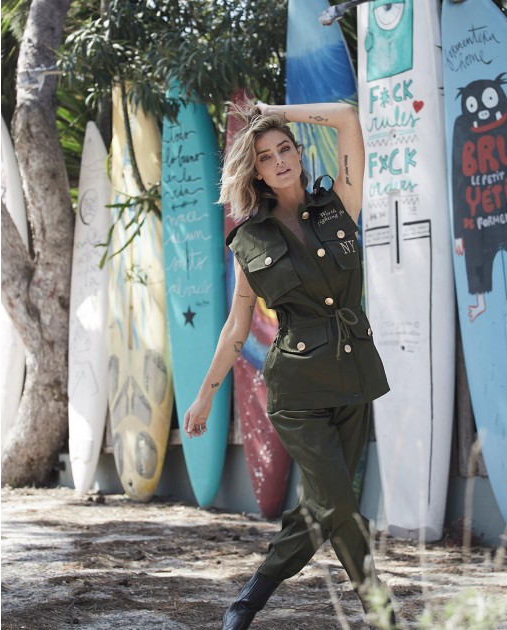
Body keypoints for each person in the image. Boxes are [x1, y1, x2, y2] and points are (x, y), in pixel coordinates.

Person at [182, 99, 396, 629]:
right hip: (297, 390)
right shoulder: (250, 240)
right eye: (265, 156)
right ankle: (383, 615)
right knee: (340, 505)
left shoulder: (340, 204)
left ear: (299, 154)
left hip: (352, 375)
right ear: (255, 171)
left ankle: (246, 602)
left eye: (284, 149)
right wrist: (206, 394)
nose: (278, 160)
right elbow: (236, 329)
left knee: (323, 508)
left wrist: (272, 111)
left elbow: (346, 117)